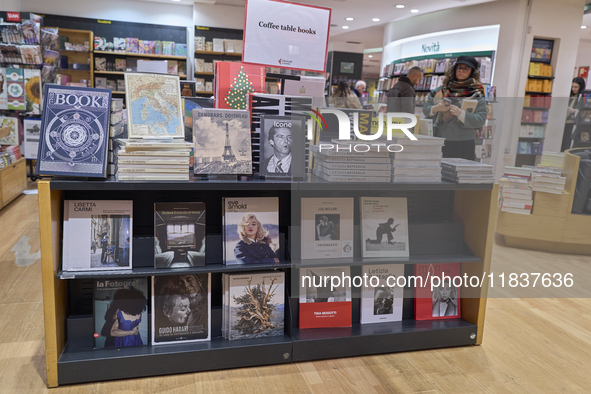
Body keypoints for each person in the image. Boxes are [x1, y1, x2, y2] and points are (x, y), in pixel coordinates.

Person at [423, 56, 487, 160]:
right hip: (440, 140)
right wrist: (436, 108)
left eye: (466, 68)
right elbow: (426, 108)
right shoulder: (441, 90)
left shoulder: (477, 93)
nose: (461, 71)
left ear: (472, 72)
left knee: (461, 174)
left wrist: (461, 114)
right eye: (459, 67)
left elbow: (480, 119)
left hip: (463, 143)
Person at [562, 77, 586, 151]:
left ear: (580, 87)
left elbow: (584, 112)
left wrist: (574, 111)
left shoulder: (583, 97)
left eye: (576, 87)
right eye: (572, 86)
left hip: (573, 124)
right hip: (565, 122)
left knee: (568, 143)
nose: (573, 89)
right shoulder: (570, 96)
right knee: (563, 142)